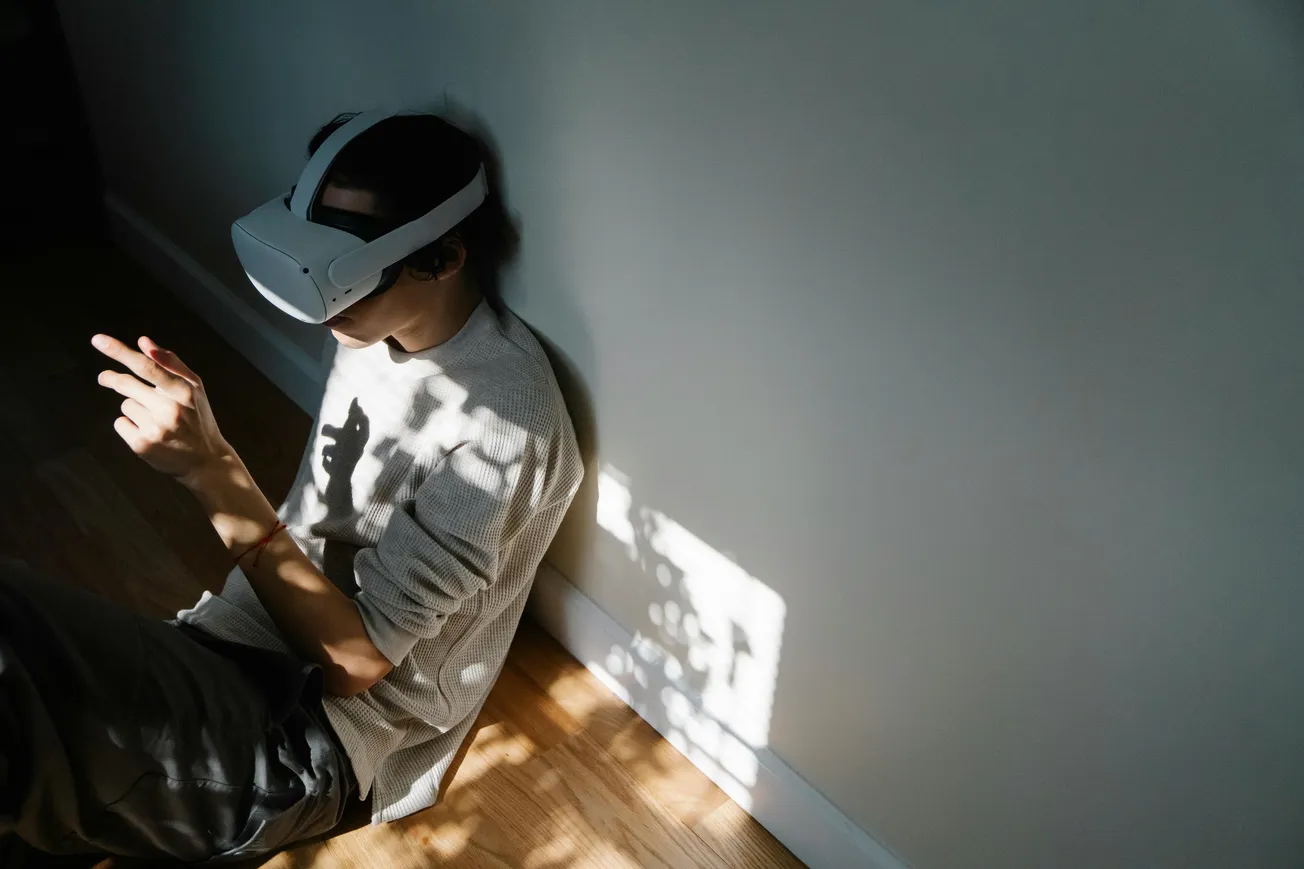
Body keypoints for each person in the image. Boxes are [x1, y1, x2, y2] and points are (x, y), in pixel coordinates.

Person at [0, 112, 583, 861]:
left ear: (443, 258)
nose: (324, 303)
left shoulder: (507, 423)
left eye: (345, 277)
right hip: (225, 651)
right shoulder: (376, 331)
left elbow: (355, 665)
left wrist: (212, 469)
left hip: (310, 742)